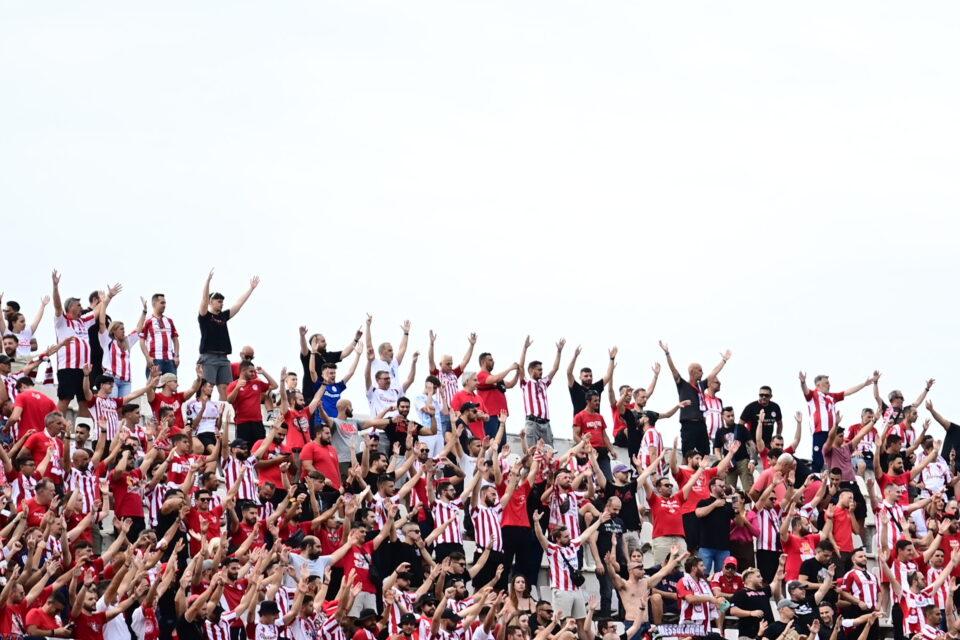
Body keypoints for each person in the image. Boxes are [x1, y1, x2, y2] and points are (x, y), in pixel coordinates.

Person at [532, 507, 610, 633]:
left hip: (576, 590)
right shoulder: (552, 549)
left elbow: (586, 533)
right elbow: (540, 537)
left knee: (581, 622)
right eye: (566, 537)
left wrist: (599, 521)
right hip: (561, 590)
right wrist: (536, 523)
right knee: (564, 623)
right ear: (558, 539)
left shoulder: (573, 545)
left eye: (569, 535)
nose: (569, 538)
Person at [659, 340, 732, 456]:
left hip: (701, 425)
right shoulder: (683, 385)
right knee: (687, 454)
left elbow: (713, 373)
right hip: (688, 425)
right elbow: (674, 371)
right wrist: (667, 353)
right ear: (692, 372)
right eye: (700, 370)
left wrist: (724, 360)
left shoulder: (701, 386)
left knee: (705, 454)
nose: (702, 372)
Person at [799, 370, 878, 472]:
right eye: (826, 383)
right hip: (820, 431)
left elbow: (848, 392)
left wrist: (864, 384)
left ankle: (834, 476)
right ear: (818, 385)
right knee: (818, 459)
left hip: (833, 432)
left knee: (834, 457)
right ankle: (816, 478)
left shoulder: (832, 396)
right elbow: (805, 390)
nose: (829, 385)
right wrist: (803, 382)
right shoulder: (813, 395)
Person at [198, 269, 260, 399]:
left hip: (223, 358)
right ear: (211, 302)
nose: (221, 303)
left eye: (222, 301)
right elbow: (203, 299)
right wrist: (208, 281)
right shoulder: (205, 316)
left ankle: (224, 411)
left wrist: (251, 289)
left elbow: (238, 304)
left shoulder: (223, 316)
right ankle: (204, 409)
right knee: (207, 387)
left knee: (225, 388)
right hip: (209, 357)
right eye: (218, 301)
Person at [517, 336, 564, 446]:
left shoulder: (544, 382)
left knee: (549, 451)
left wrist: (559, 351)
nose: (541, 372)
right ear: (531, 370)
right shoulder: (526, 383)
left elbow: (555, 369)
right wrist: (525, 348)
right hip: (532, 422)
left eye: (542, 370)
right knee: (531, 452)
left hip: (546, 424)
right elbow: (521, 366)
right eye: (539, 370)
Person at [427, 330, 476, 434]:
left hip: (457, 411)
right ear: (441, 364)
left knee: (459, 434)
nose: (450, 366)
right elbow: (430, 360)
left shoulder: (454, 374)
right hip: (444, 411)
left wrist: (471, 345)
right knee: (445, 434)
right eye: (448, 364)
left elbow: (465, 361)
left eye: (451, 363)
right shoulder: (437, 374)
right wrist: (431, 344)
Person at [227, 361, 279, 445]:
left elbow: (275, 386)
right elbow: (229, 400)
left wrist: (264, 373)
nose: (254, 373)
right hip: (242, 423)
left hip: (257, 422)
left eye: (254, 371)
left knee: (260, 447)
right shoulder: (233, 384)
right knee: (244, 449)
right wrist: (237, 388)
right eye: (251, 371)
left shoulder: (257, 383)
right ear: (243, 371)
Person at [566, 345, 616, 416]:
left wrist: (612, 359)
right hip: (580, 422)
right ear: (580, 377)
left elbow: (608, 375)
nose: (589, 378)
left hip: (596, 421)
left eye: (590, 376)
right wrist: (575, 356)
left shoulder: (596, 387)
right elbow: (569, 373)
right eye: (586, 376)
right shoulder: (575, 387)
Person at [140, 292, 180, 377]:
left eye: (165, 303)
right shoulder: (148, 321)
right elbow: (142, 340)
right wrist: (147, 357)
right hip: (155, 360)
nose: (164, 305)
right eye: (162, 303)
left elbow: (175, 339)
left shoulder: (169, 321)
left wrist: (176, 356)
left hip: (170, 360)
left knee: (172, 384)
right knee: (153, 383)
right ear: (154, 304)